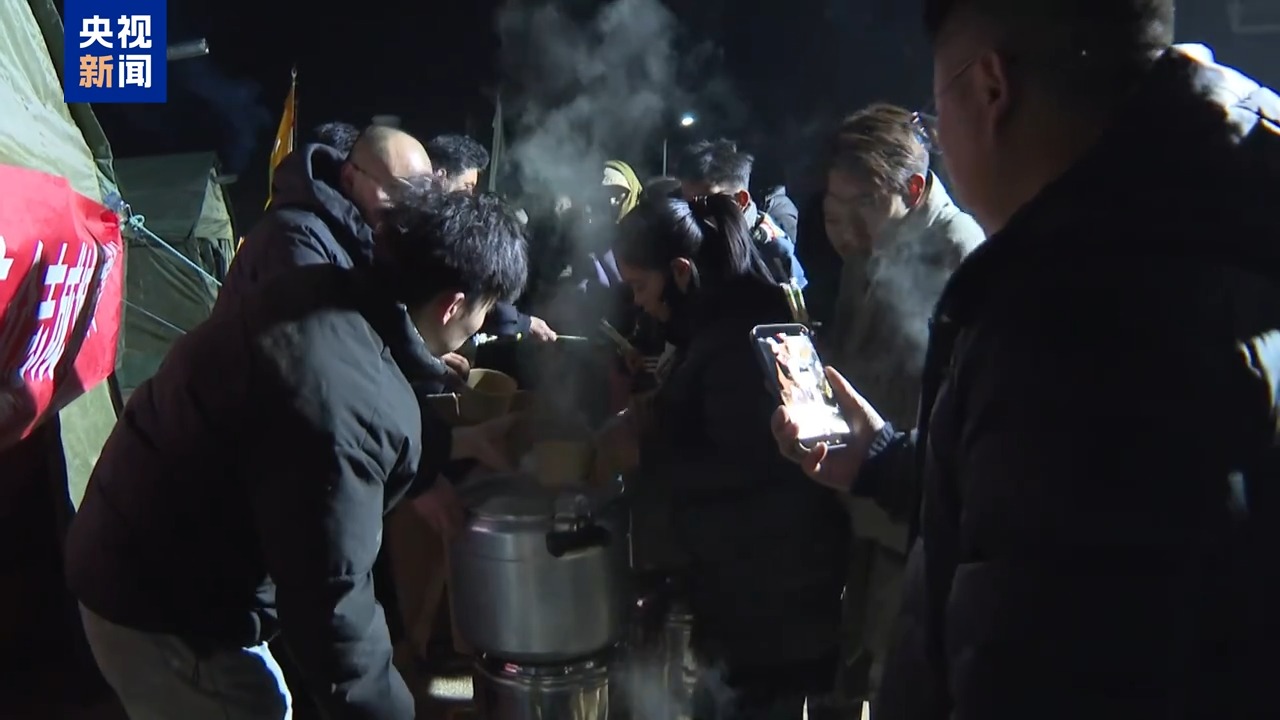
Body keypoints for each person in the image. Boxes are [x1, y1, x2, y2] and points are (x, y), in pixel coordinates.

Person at [772, 1, 1280, 718]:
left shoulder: (1066, 316)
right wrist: (881, 461)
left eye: (937, 107)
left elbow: (1035, 654)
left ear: (990, 88)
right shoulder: (1222, 229)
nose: (941, 143)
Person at [66, 188, 529, 720]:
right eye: (483, 312)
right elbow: (331, 605)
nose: (478, 328)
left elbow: (315, 435)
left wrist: (437, 448)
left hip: (136, 543)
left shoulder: (322, 286)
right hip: (164, 610)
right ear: (453, 305)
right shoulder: (351, 401)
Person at [601, 194, 850, 720]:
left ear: (681, 271)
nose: (639, 303)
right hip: (757, 584)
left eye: (641, 286)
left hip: (771, 591)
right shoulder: (732, 315)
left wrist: (644, 454)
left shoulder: (736, 339)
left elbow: (748, 466)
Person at [808, 101, 982, 720]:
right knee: (847, 671)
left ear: (912, 189)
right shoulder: (868, 248)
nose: (847, 227)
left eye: (863, 204)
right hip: (860, 497)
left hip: (914, 515)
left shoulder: (962, 254)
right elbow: (853, 351)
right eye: (836, 204)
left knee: (900, 683)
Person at [675, 139, 807, 289]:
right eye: (686, 204)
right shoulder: (693, 238)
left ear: (741, 200)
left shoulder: (773, 251)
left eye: (704, 203)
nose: (692, 215)